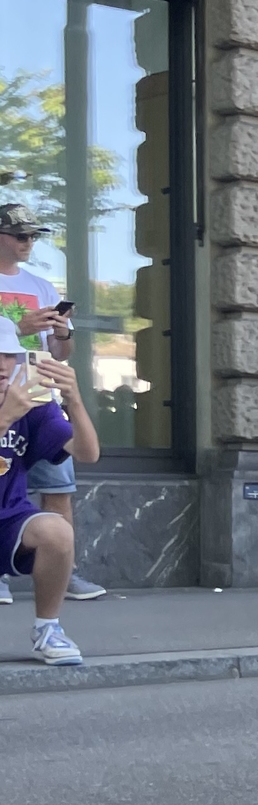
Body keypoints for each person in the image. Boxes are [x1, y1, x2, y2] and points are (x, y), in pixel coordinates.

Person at [0, 204, 102, 603]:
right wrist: (21, 328)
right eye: (21, 235)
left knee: (59, 488)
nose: (29, 243)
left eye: (33, 236)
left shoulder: (42, 286)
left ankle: (65, 568)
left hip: (39, 398)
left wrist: (61, 332)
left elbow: (62, 353)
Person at [0, 324, 100, 665]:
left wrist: (73, 399)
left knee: (57, 530)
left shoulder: (33, 404)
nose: (2, 365)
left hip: (8, 517)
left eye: (8, 355)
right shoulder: (15, 407)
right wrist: (4, 418)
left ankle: (48, 628)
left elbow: (87, 453)